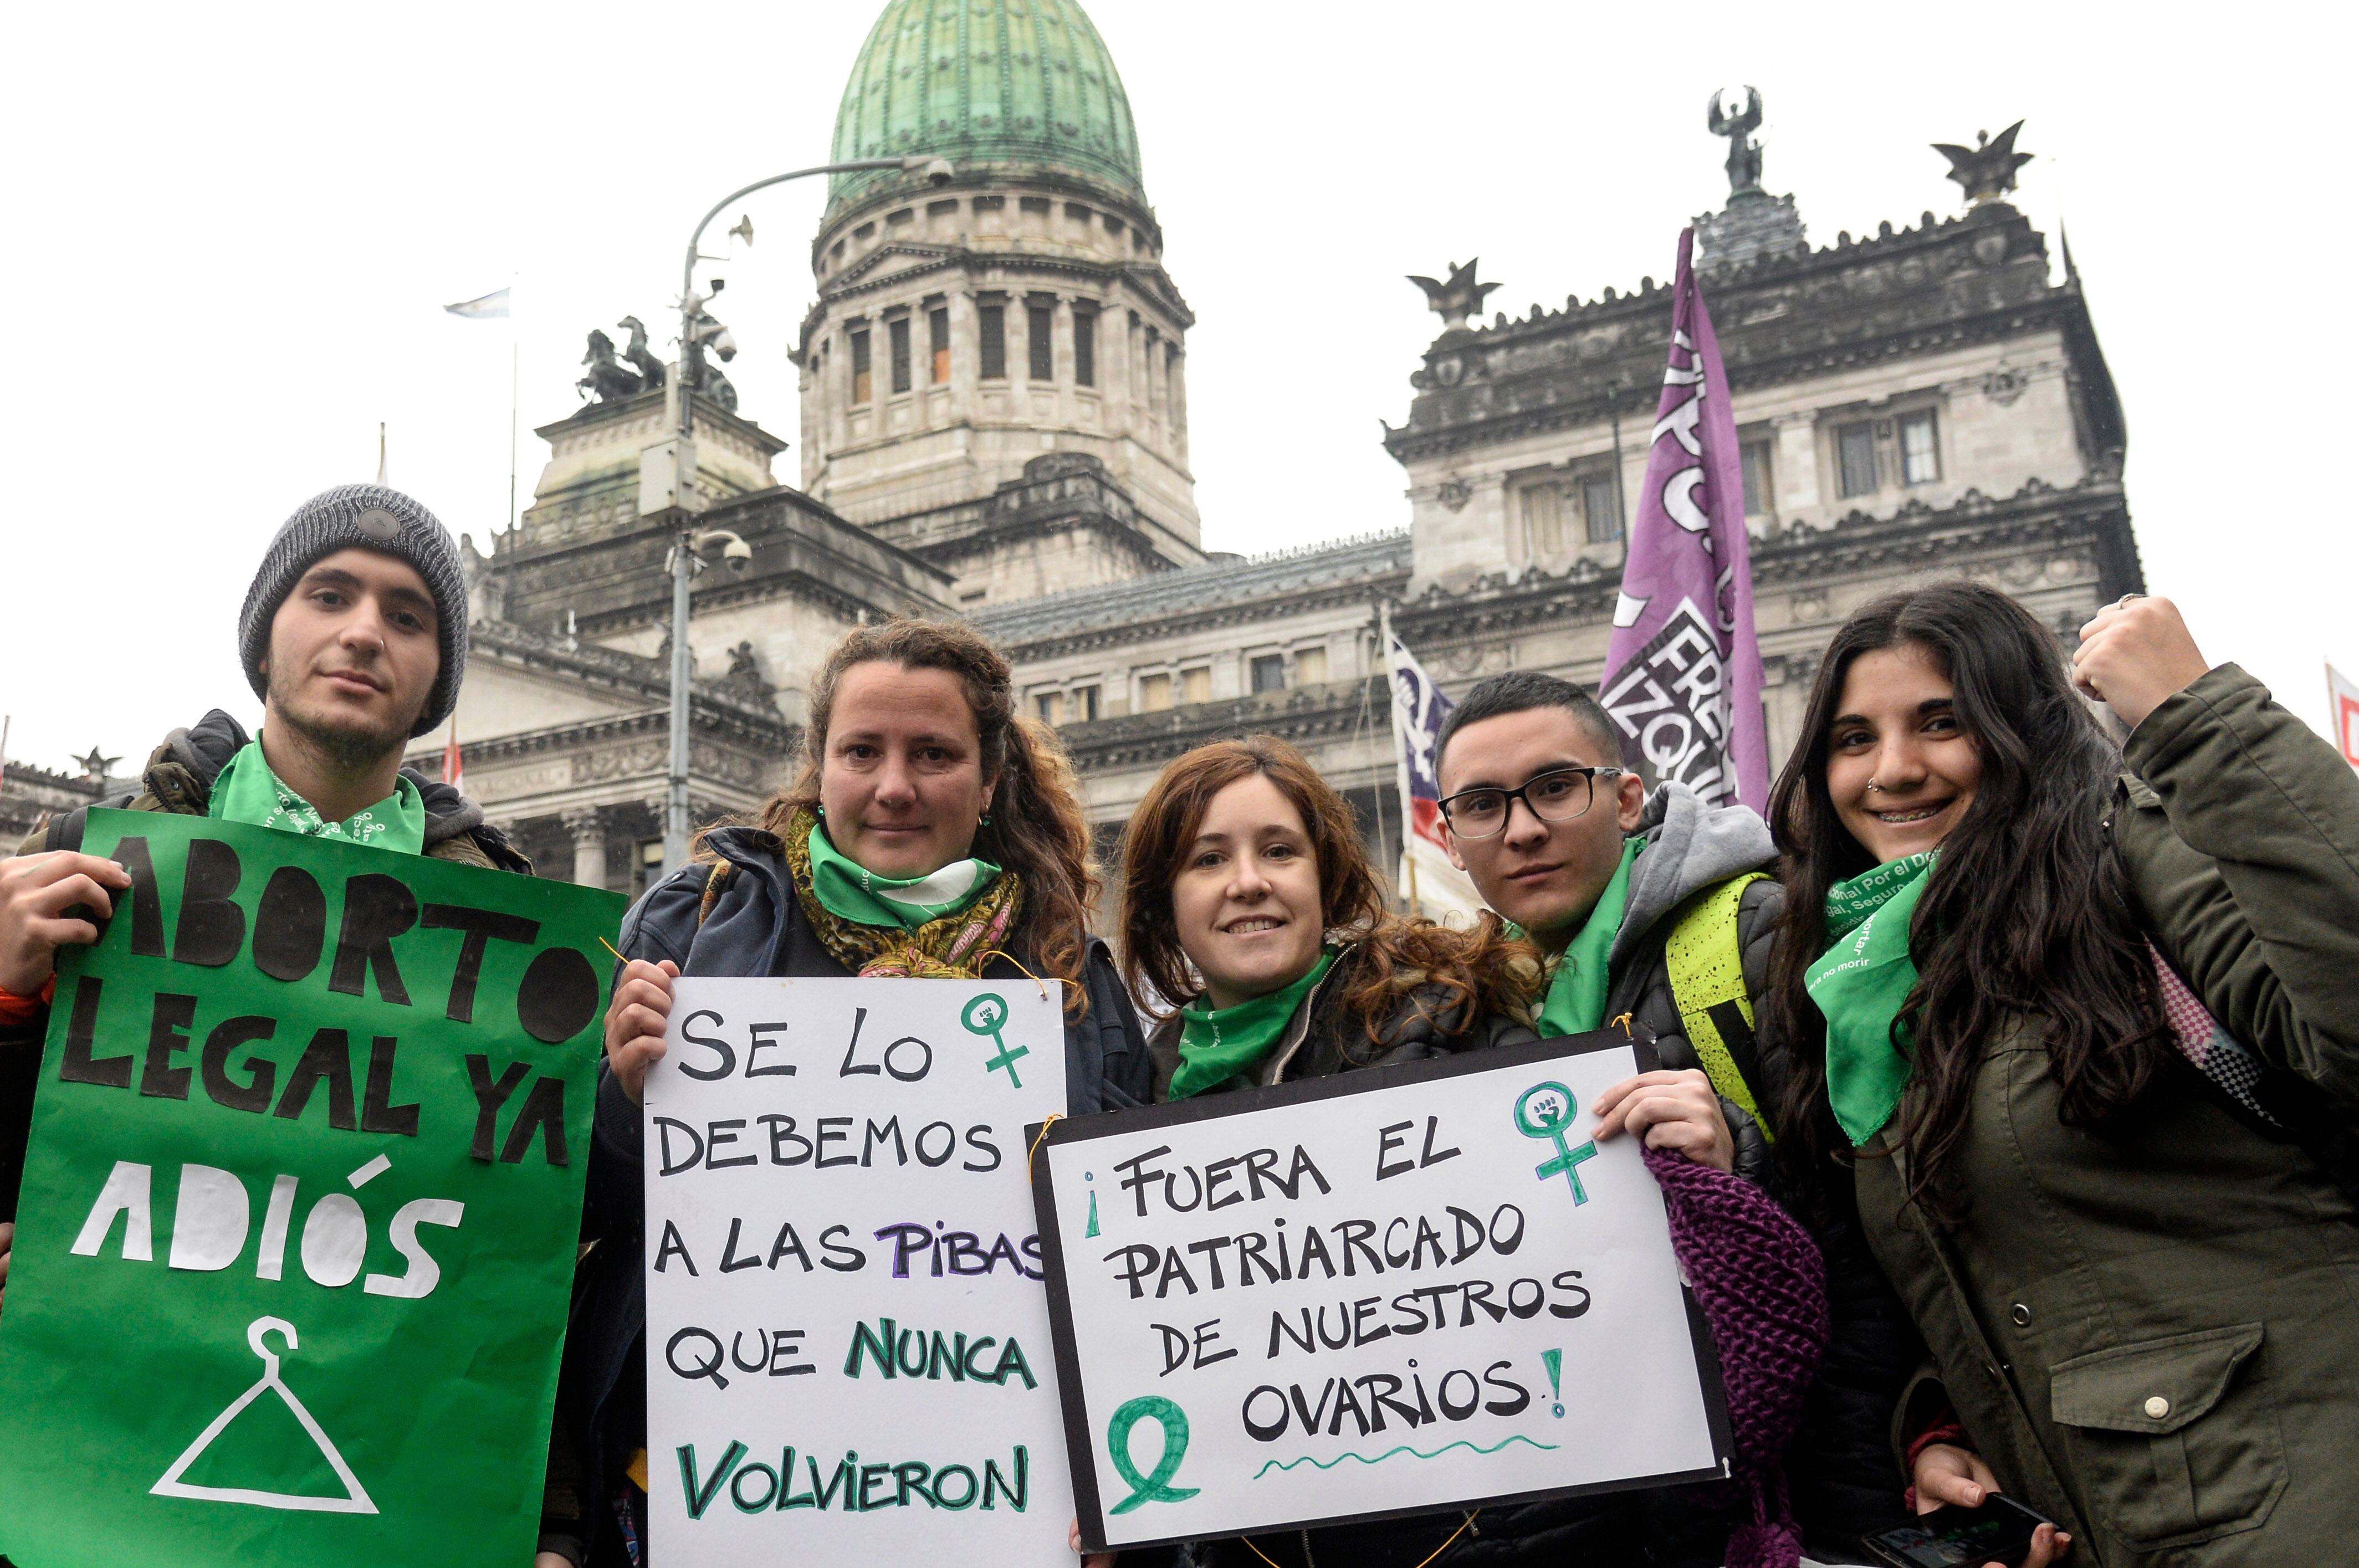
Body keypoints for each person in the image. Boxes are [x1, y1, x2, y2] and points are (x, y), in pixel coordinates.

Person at [1764, 581, 2359, 1568]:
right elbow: (2018, 1258)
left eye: (1941, 723)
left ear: (2021, 728)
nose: (1894, 770)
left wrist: (2195, 714)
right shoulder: (1858, 978)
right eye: (1852, 738)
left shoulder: (2131, 859)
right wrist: (1943, 1418)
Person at [1119, 735, 1823, 1568]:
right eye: (1208, 859)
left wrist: (1720, 1156)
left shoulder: (1451, 1019)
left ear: (1325, 877)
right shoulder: (1133, 1099)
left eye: (1279, 850)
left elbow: (1620, 1264)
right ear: (1165, 901)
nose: (1249, 881)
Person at [540, 618, 1153, 1568]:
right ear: (820, 765)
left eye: (934, 754)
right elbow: (564, 1210)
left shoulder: (1070, 977)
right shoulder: (691, 922)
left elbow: (1126, 1253)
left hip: (973, 1492)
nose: (894, 785)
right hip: (712, 1485)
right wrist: (623, 1094)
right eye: (861, 751)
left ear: (990, 781)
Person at [0, 483, 526, 1318]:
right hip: (99, 1386)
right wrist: (8, 999)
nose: (361, 631)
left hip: (369, 1410)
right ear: (263, 642)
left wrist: (626, 1094)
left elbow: (521, 1232)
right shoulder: (83, 855)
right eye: (328, 595)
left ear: (437, 685)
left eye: (406, 616)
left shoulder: (507, 930)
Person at [1430, 670, 1910, 1561]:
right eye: (1484, 805)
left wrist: (1740, 1170)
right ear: (1449, 839)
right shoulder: (1469, 1011)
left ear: (1624, 797)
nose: (1524, 828)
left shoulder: (1764, 932)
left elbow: (1890, 1229)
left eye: (1553, 787)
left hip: (1813, 1497)